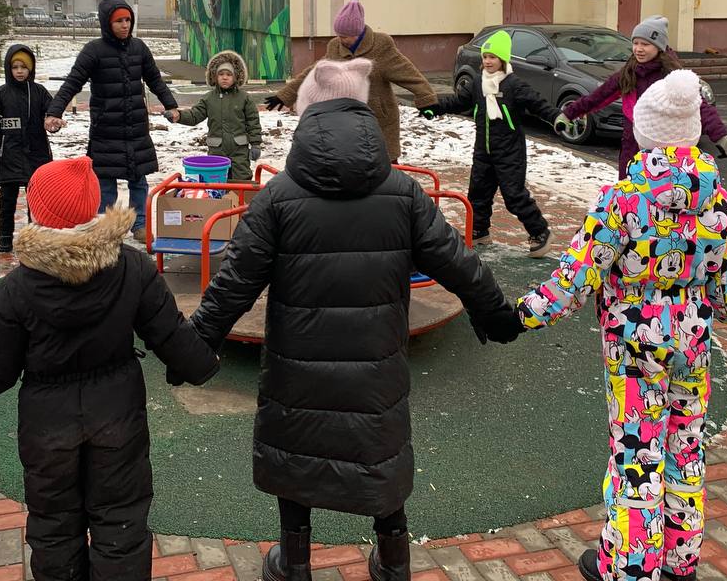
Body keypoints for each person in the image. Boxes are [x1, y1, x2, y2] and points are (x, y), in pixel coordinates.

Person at [189, 58, 522, 581]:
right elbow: (458, 261)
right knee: (378, 449)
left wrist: (193, 348)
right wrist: (497, 315)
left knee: (297, 448)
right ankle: (393, 561)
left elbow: (234, 281)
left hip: (297, 363)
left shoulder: (279, 196)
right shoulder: (402, 191)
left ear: (308, 113)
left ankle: (294, 562)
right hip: (375, 361)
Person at [515, 70, 727, 581]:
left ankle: (630, 566)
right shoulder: (717, 200)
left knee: (638, 458)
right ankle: (680, 561)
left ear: (644, 133)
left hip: (635, 349)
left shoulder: (621, 199)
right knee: (685, 448)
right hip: (692, 344)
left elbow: (577, 275)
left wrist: (525, 313)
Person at [0, 156, 220, 580]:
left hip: (47, 425)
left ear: (36, 210)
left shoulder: (17, 288)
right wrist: (200, 365)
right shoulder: (132, 267)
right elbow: (170, 333)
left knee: (54, 522)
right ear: (95, 205)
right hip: (117, 416)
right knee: (121, 519)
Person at [43, 0, 178, 238]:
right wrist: (55, 111)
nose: (125, 25)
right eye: (119, 21)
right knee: (105, 184)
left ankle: (139, 224)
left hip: (136, 128)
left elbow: (155, 80)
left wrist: (171, 105)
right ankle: (105, 228)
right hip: (106, 130)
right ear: (107, 23)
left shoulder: (139, 48)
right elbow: (73, 82)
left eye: (128, 20)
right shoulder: (94, 50)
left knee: (138, 180)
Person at [423, 29, 558, 255]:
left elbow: (538, 104)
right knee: (478, 194)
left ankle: (540, 232)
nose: (487, 61)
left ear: (503, 59)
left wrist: (557, 118)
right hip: (483, 150)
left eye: (493, 57)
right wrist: (435, 108)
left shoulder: (514, 85)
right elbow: (458, 101)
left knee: (514, 196)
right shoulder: (478, 83)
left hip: (509, 152)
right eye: (485, 57)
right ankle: (479, 232)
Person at [555, 16, 727, 178]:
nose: (638, 49)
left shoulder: (672, 75)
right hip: (631, 148)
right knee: (628, 194)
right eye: (635, 43)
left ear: (659, 47)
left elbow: (701, 107)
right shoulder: (629, 72)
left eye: (645, 44)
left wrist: (720, 136)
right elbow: (598, 96)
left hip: (663, 154)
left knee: (658, 196)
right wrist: (569, 113)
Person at [265, 0, 437, 163]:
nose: (341, 40)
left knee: (384, 162)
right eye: (339, 35)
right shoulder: (335, 46)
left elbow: (407, 73)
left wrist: (426, 99)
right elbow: (315, 71)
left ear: (358, 33)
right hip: (345, 118)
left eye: (345, 36)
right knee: (350, 162)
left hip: (378, 118)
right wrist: (285, 95)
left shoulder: (381, 46)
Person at [0, 44, 55, 254]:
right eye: (15, 67)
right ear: (9, 68)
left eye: (24, 67)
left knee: (36, 200)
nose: (20, 71)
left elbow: (52, 114)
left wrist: (53, 123)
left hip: (37, 155)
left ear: (30, 69)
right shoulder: (1, 94)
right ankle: (5, 238)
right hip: (10, 155)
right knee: (7, 200)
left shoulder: (39, 92)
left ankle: (35, 238)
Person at [169, 49, 262, 181]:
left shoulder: (244, 98)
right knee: (216, 180)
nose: (225, 77)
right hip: (217, 151)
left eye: (229, 74)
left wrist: (256, 144)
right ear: (214, 77)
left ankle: (240, 195)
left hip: (239, 150)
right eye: (221, 74)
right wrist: (178, 116)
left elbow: (253, 122)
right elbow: (195, 115)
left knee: (242, 179)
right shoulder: (209, 99)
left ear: (236, 77)